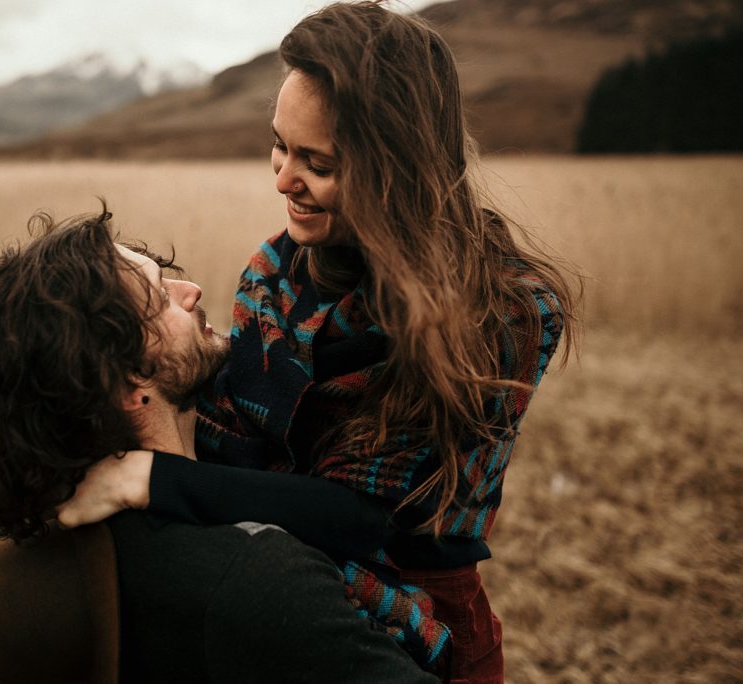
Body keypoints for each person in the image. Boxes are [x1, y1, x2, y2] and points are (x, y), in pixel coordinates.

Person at [56, 3, 580, 683]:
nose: (282, 179)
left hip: (419, 627)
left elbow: (362, 519)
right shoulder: (278, 269)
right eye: (279, 146)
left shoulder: (499, 311)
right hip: (272, 585)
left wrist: (153, 481)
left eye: (317, 162)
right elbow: (220, 435)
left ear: (396, 167)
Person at [0, 209, 442, 683]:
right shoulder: (257, 579)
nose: (189, 289)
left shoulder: (53, 557)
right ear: (126, 382)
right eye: (158, 296)